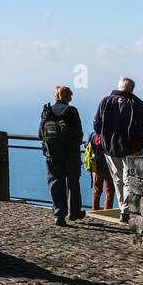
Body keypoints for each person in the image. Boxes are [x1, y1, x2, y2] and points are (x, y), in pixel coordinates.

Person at [92, 77, 143, 223]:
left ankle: (123, 208)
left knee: (117, 179)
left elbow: (97, 123)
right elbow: (142, 129)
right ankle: (126, 211)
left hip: (109, 147)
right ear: (131, 89)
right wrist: (140, 144)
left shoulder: (105, 101)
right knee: (128, 178)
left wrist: (104, 138)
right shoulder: (135, 104)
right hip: (130, 147)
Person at [41, 86, 86, 225]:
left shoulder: (47, 111)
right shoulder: (71, 111)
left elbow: (40, 133)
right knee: (73, 182)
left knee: (55, 182)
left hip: (52, 154)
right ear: (68, 97)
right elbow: (79, 134)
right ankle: (74, 212)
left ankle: (59, 215)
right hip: (70, 153)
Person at [87, 135, 115, 211]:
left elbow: (87, 145)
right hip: (110, 168)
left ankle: (95, 209)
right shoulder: (110, 135)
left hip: (97, 168)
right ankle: (108, 209)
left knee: (97, 190)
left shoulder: (92, 136)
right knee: (110, 191)